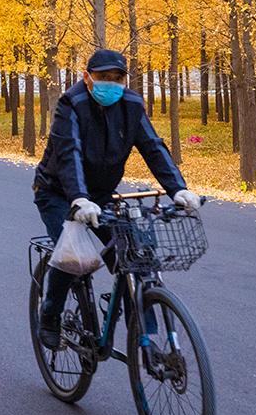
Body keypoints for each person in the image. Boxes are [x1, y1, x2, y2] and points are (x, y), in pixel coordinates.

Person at [32, 47, 202, 351]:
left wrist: (178, 189)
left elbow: (153, 147)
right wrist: (79, 199)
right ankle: (50, 314)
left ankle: (144, 337)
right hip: (58, 192)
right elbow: (69, 154)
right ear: (87, 77)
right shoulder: (71, 105)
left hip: (101, 193)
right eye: (103, 77)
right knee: (70, 255)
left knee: (134, 256)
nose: (110, 83)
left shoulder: (132, 106)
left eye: (117, 77)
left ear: (125, 80)